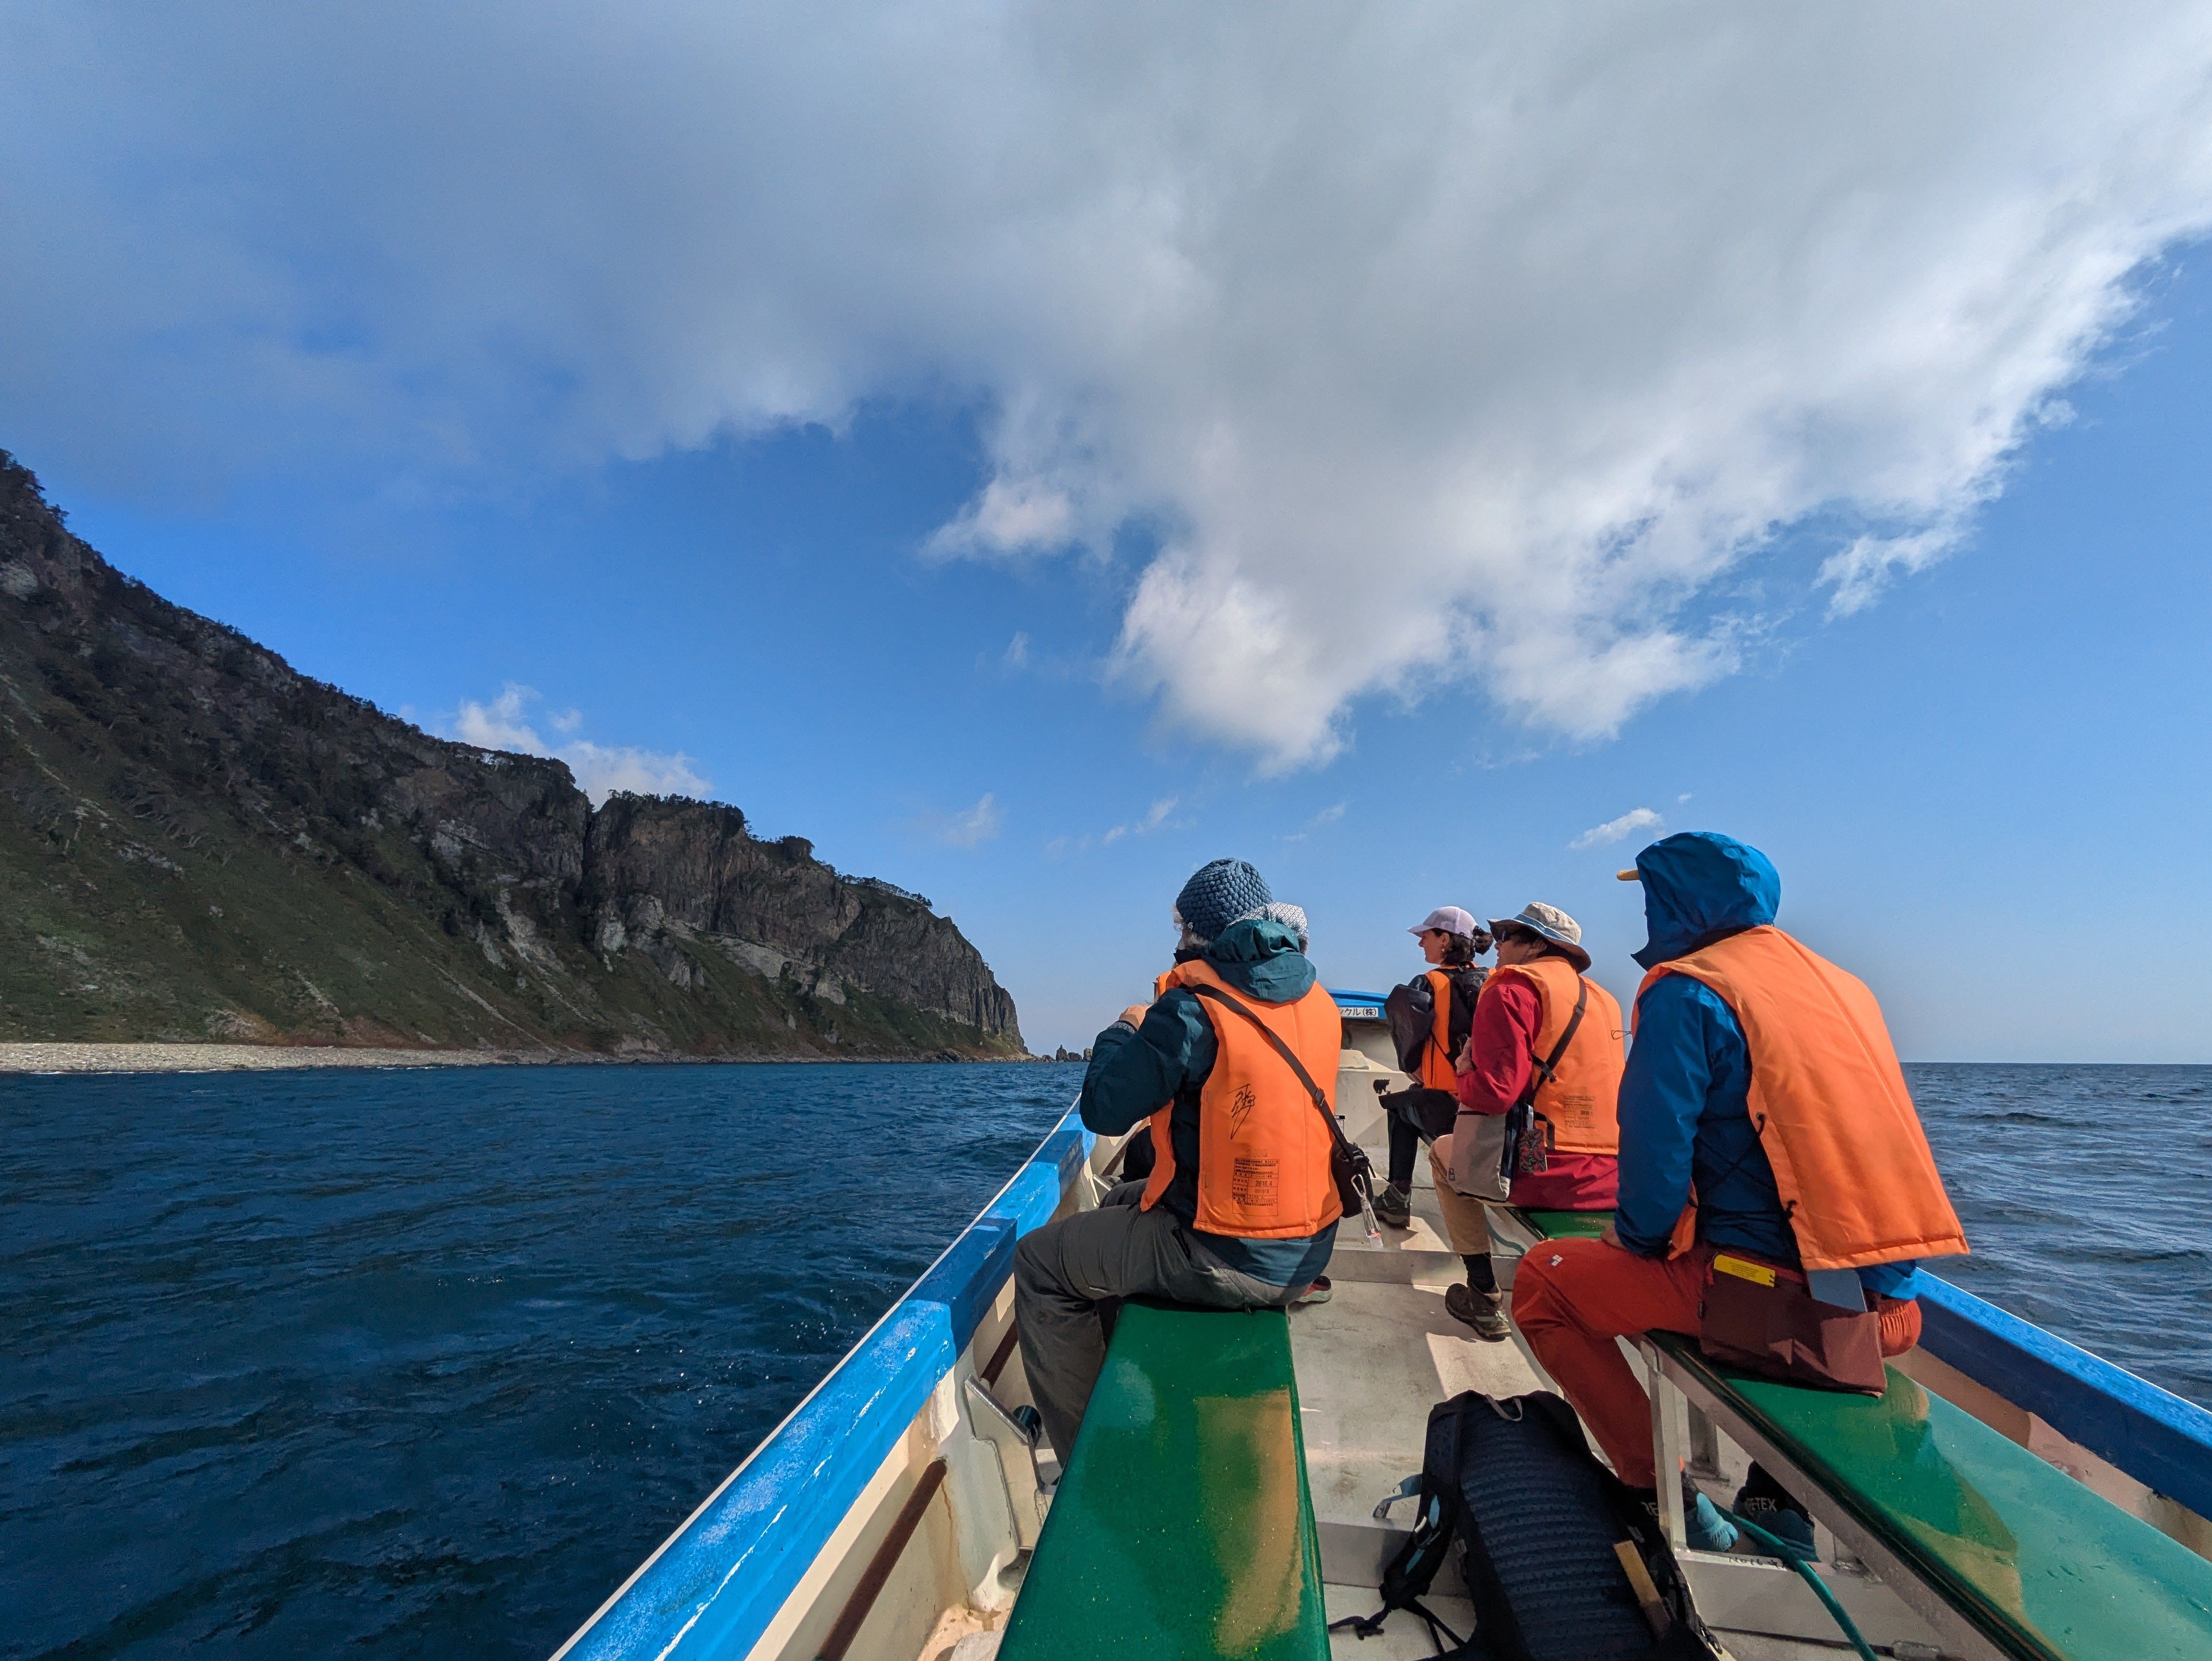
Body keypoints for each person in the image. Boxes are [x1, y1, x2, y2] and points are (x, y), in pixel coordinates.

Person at [1512, 831, 1967, 1546]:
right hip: (1894, 1315)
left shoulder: (1689, 990)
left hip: (1780, 1312)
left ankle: (1654, 1491)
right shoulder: (1845, 988)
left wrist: (1634, 1240)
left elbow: (1657, 1156)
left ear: (1676, 902)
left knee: (1546, 1283)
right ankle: (1771, 1498)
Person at [1013, 858, 1344, 1462]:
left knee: (1039, 1263)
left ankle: (1093, 1458)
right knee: (1119, 1200)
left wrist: (1123, 1029)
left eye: (1182, 927)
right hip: (1311, 1247)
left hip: (1228, 1257)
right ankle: (1119, 1378)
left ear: (1203, 932)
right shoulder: (1317, 998)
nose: (1177, 941)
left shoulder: (1193, 1009)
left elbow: (1104, 1109)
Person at [1426, 902, 1623, 1341]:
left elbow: (1495, 1094)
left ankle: (1482, 1293)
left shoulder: (1511, 991)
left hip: (1545, 1173)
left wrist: (1463, 1071)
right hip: (1612, 1176)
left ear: (1535, 945)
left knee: (1441, 1154)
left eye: (1507, 936)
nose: (1495, 945)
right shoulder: (1604, 1000)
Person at [1374, 907, 1492, 1229]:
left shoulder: (1426, 984)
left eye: (1425, 937)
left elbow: (1409, 1050)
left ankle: (1398, 1197)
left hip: (1445, 1109)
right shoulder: (1495, 983)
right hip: (1487, 1109)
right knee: (1415, 1097)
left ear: (1445, 939)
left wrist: (1416, 1066)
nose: (1420, 944)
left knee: (1399, 1108)